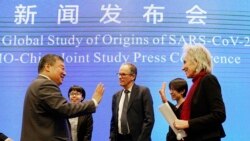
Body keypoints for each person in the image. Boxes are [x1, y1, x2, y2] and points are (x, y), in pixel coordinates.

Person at [21, 54, 105, 141]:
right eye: (62, 68)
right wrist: (93, 102)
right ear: (48, 67)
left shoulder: (37, 84)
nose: (65, 73)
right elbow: (65, 109)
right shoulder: (45, 84)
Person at [173, 44, 226, 141]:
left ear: (196, 61)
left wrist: (187, 123)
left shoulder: (208, 79)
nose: (182, 67)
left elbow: (219, 115)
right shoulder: (196, 83)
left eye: (185, 62)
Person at [109, 62, 155, 141]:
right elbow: (114, 121)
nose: (120, 77)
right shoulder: (116, 96)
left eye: (123, 74)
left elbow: (149, 119)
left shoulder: (143, 92)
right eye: (119, 74)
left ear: (133, 76)